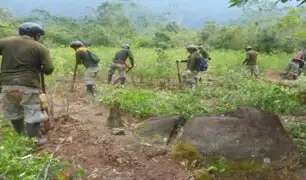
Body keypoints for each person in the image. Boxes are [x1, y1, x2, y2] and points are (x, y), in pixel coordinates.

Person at [0, 22, 54, 145]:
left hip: (7, 85)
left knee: (14, 113)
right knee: (33, 113)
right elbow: (49, 69)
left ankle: (20, 137)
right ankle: (32, 141)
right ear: (36, 35)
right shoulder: (40, 47)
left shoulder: (5, 42)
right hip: (28, 85)